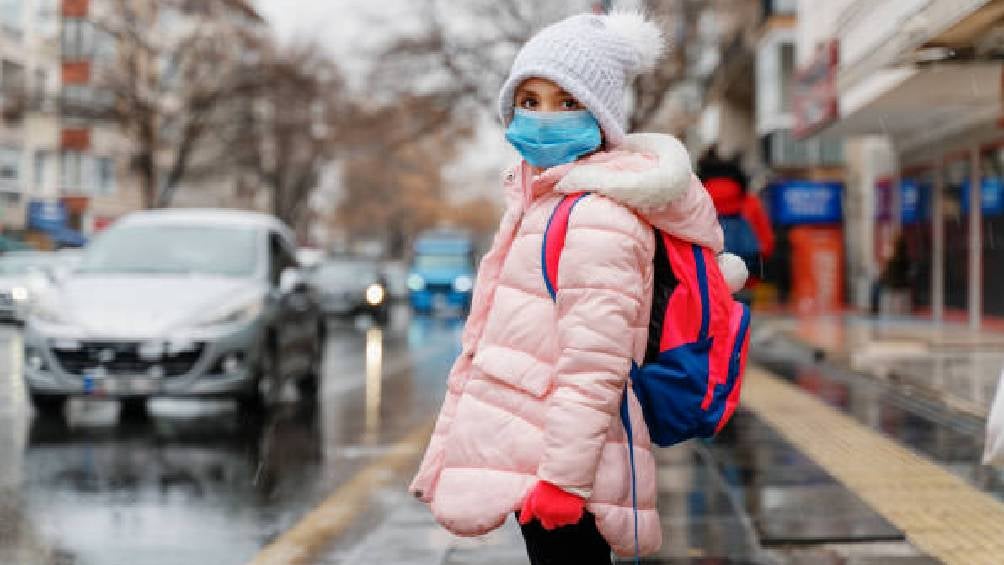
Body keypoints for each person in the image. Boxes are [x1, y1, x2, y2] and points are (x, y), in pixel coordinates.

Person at [409, 11, 744, 563]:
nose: (543, 118)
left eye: (567, 102)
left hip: (564, 473)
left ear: (601, 115)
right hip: (537, 457)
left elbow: (593, 367)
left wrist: (563, 482)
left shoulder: (596, 216)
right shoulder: (541, 202)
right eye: (530, 99)